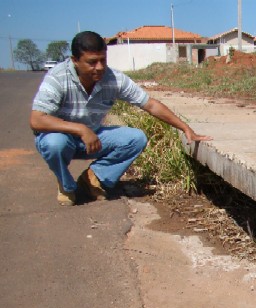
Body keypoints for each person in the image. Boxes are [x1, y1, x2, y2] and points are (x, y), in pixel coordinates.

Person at [30, 30, 212, 206]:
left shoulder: (113, 78)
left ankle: (94, 177)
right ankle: (66, 186)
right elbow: (37, 119)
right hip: (63, 137)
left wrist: (186, 128)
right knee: (54, 144)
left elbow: (150, 104)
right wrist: (80, 129)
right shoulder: (58, 77)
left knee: (135, 138)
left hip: (93, 137)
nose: (100, 67)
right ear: (75, 61)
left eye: (103, 60)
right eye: (92, 62)